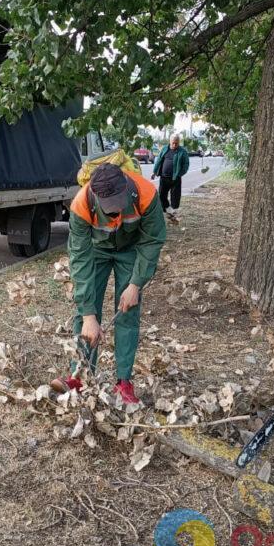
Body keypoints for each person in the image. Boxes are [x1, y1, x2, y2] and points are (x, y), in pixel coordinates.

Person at [60, 163, 167, 404]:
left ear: (126, 188)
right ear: (96, 196)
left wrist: (136, 285)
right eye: (109, 207)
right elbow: (79, 257)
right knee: (85, 315)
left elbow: (152, 241)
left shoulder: (146, 193)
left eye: (119, 203)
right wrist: (89, 315)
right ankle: (80, 375)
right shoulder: (81, 204)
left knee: (128, 312)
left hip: (130, 251)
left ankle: (124, 382)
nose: (115, 210)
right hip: (96, 251)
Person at [151, 134, 191, 218]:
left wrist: (179, 174)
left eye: (176, 143)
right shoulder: (165, 148)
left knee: (175, 197)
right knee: (161, 195)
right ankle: (167, 210)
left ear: (179, 142)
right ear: (170, 142)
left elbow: (186, 165)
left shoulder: (182, 151)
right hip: (164, 177)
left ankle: (174, 214)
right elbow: (159, 160)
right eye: (173, 143)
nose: (175, 145)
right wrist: (154, 172)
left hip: (175, 178)